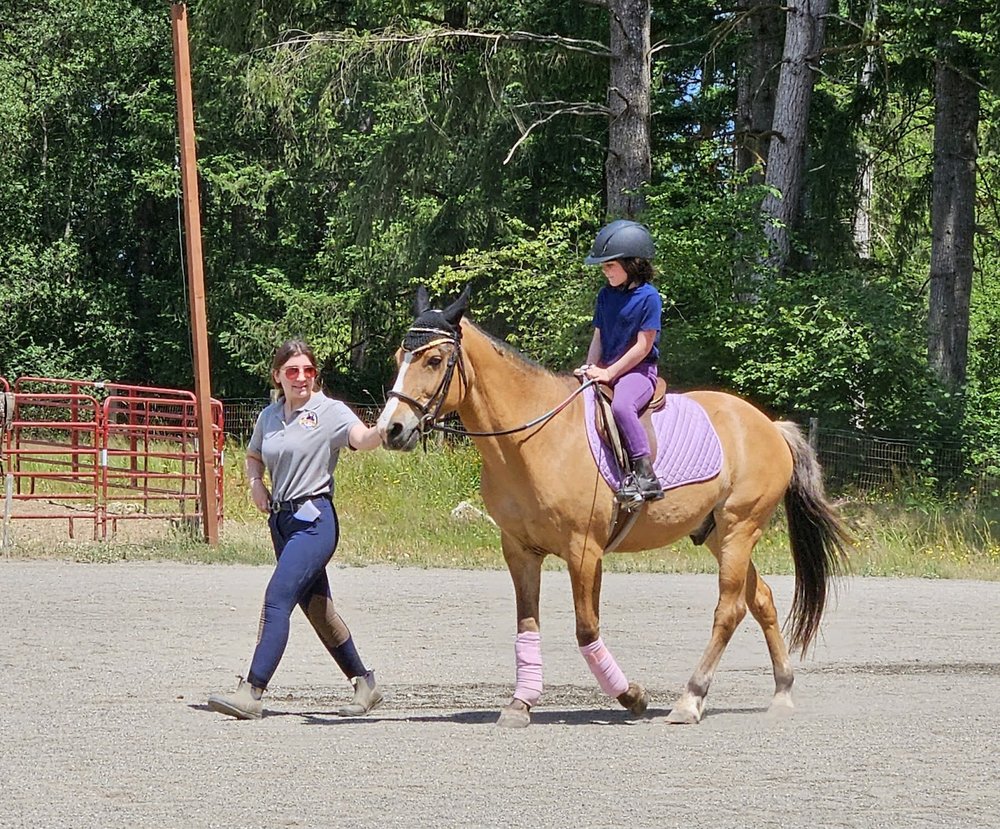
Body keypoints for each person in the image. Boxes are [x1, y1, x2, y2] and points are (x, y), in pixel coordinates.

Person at [208, 339, 384, 720]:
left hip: (315, 521)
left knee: (277, 598)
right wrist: (256, 484)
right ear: (278, 376)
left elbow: (362, 438)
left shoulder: (330, 411)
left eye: (308, 370)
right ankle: (364, 683)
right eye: (292, 371)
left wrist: (385, 428)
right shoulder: (269, 417)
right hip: (282, 522)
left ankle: (251, 691)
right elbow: (254, 455)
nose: (301, 377)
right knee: (319, 610)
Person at [578, 219, 665, 502]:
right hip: (607, 370)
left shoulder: (649, 298)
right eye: (603, 267)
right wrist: (591, 367)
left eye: (610, 266)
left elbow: (643, 346)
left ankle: (645, 474)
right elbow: (599, 337)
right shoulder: (605, 295)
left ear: (632, 263)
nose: (605, 272)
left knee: (622, 406)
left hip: (639, 372)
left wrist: (610, 372)